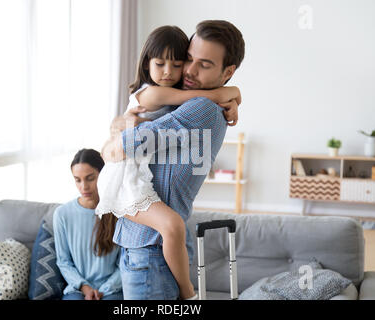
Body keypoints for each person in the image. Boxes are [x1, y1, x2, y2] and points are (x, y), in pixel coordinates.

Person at [102, 20, 245, 300]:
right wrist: (233, 93)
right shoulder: (190, 100)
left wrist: (114, 139)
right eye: (189, 59)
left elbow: (125, 146)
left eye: (204, 64)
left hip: (151, 252)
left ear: (228, 71)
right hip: (147, 248)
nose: (189, 70)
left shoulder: (202, 108)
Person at [53, 149, 123, 300]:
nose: (83, 187)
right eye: (77, 180)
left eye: (90, 178)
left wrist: (104, 290)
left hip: (112, 291)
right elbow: (64, 262)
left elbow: (124, 263)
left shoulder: (119, 212)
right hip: (77, 290)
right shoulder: (62, 214)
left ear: (103, 175)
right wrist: (85, 288)